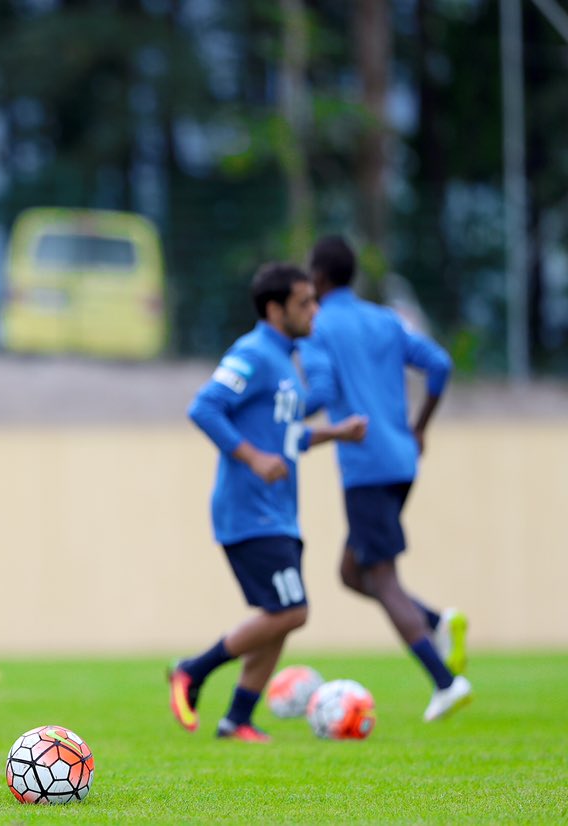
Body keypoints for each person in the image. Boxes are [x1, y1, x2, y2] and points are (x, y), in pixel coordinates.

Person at [169, 263, 367, 742]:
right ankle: (193, 671)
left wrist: (334, 433)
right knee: (291, 610)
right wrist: (254, 458)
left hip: (278, 510)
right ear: (275, 309)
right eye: (305, 302)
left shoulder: (286, 363)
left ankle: (237, 719)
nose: (314, 310)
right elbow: (205, 406)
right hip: (249, 510)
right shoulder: (252, 352)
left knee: (278, 617)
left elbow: (286, 436)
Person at [297, 235, 471, 722]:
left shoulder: (319, 327)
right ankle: (437, 622)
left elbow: (323, 389)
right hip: (401, 461)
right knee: (352, 573)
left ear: (319, 278)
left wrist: (286, 408)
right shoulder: (385, 319)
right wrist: (420, 427)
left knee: (380, 576)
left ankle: (446, 681)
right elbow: (439, 365)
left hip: (365, 464)